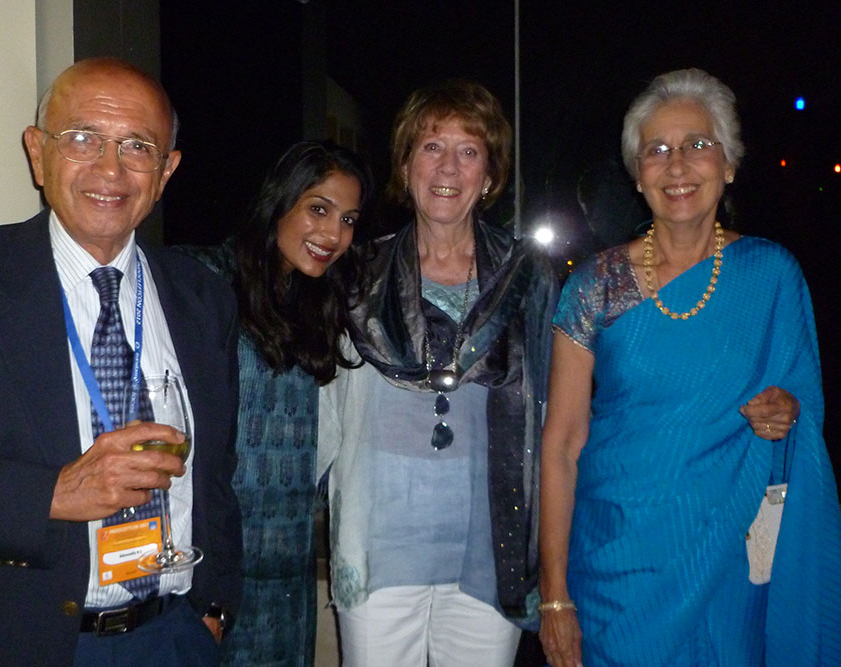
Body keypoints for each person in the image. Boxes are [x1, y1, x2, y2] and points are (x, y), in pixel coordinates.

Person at [0, 140, 372, 666]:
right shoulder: (205, 280)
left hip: (280, 553)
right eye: (318, 208)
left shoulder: (330, 307)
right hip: (185, 551)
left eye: (348, 219)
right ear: (280, 201)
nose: (332, 233)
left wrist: (215, 602)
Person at [0, 57, 242, 666]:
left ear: (166, 171)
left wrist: (214, 610)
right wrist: (52, 493)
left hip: (172, 637)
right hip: (11, 644)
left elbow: (216, 474)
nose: (110, 169)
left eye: (138, 146)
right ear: (37, 152)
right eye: (83, 138)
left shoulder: (203, 294)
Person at [538, 68, 841, 666]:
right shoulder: (596, 285)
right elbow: (562, 443)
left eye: (697, 145)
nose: (677, 165)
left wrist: (788, 413)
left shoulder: (771, 276)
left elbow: (800, 403)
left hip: (727, 561)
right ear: (637, 175)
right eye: (657, 150)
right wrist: (554, 598)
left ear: (728, 165)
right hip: (615, 563)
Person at [317, 80, 556, 665]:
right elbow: (322, 408)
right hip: (378, 546)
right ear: (405, 163)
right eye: (431, 147)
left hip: (488, 548)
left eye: (469, 151)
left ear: (490, 174)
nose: (449, 166)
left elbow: (554, 416)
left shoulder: (528, 279)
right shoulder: (355, 275)